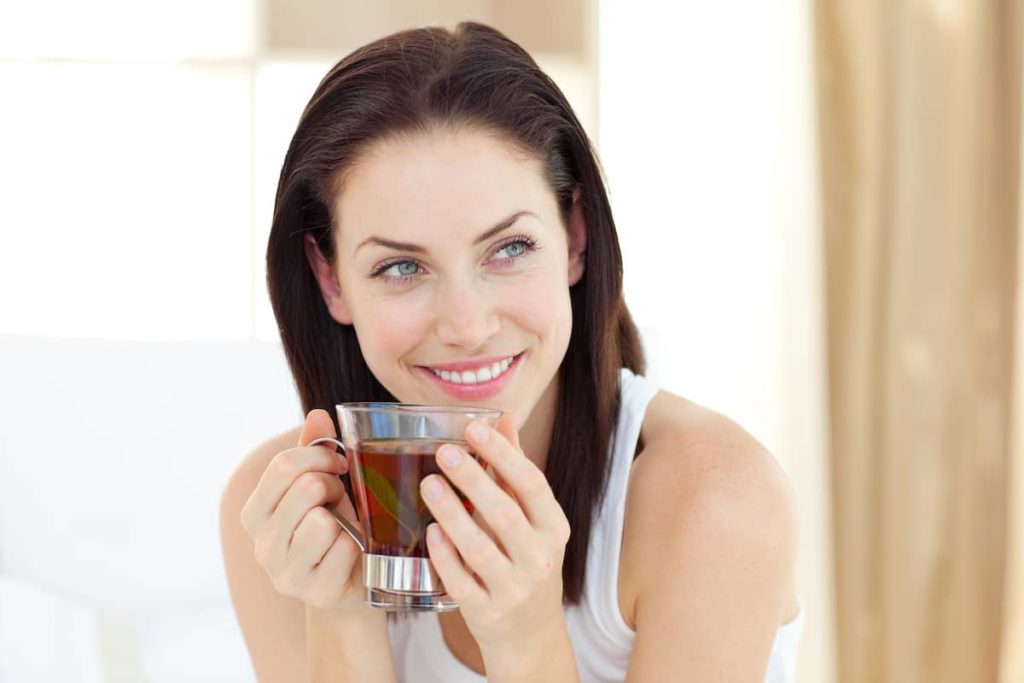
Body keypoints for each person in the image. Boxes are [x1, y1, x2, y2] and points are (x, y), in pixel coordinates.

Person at [219, 21, 803, 683]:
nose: (467, 325)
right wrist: (342, 617)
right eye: (401, 268)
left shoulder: (713, 499)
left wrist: (526, 639)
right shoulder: (284, 518)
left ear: (575, 236)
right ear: (330, 280)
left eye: (509, 249)